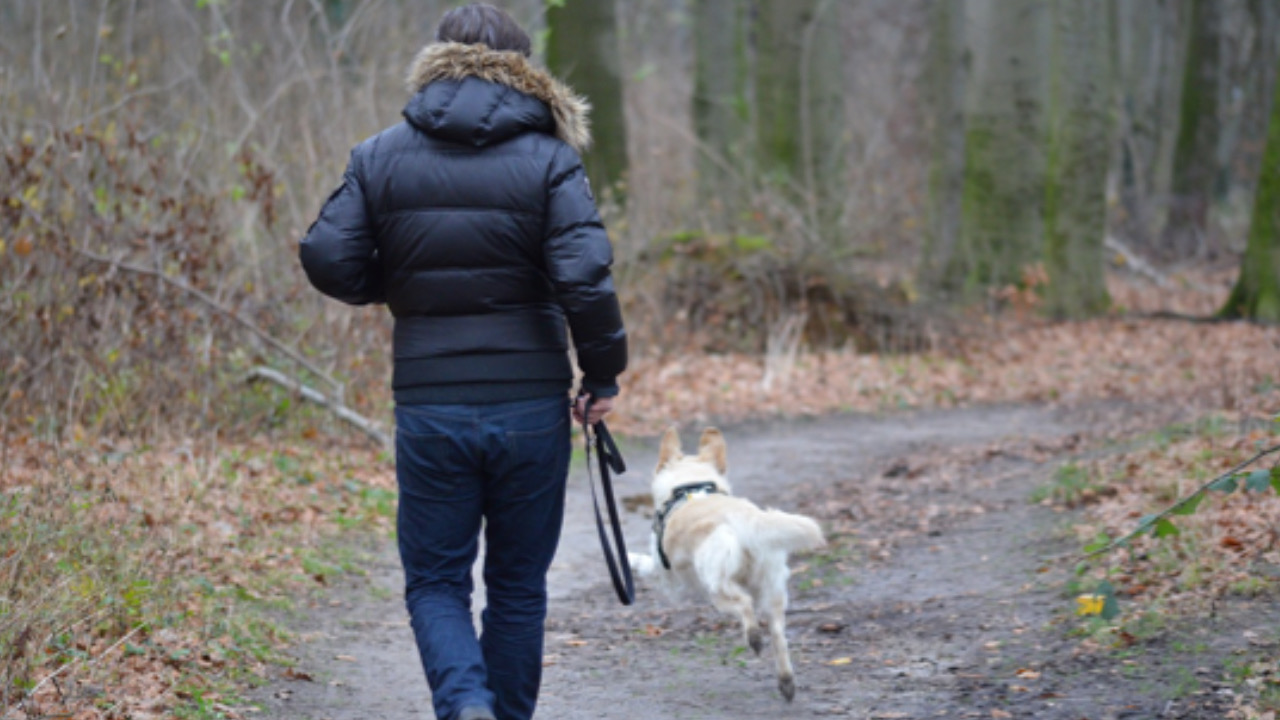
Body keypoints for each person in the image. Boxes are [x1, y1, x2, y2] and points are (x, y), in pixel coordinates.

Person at [297, 4, 628, 719]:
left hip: (430, 400)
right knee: (517, 584)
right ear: (524, 67)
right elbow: (585, 275)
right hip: (530, 401)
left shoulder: (380, 153)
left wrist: (400, 287)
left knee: (437, 581)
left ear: (436, 59)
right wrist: (601, 377)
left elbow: (326, 254)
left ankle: (466, 705)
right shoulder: (550, 158)